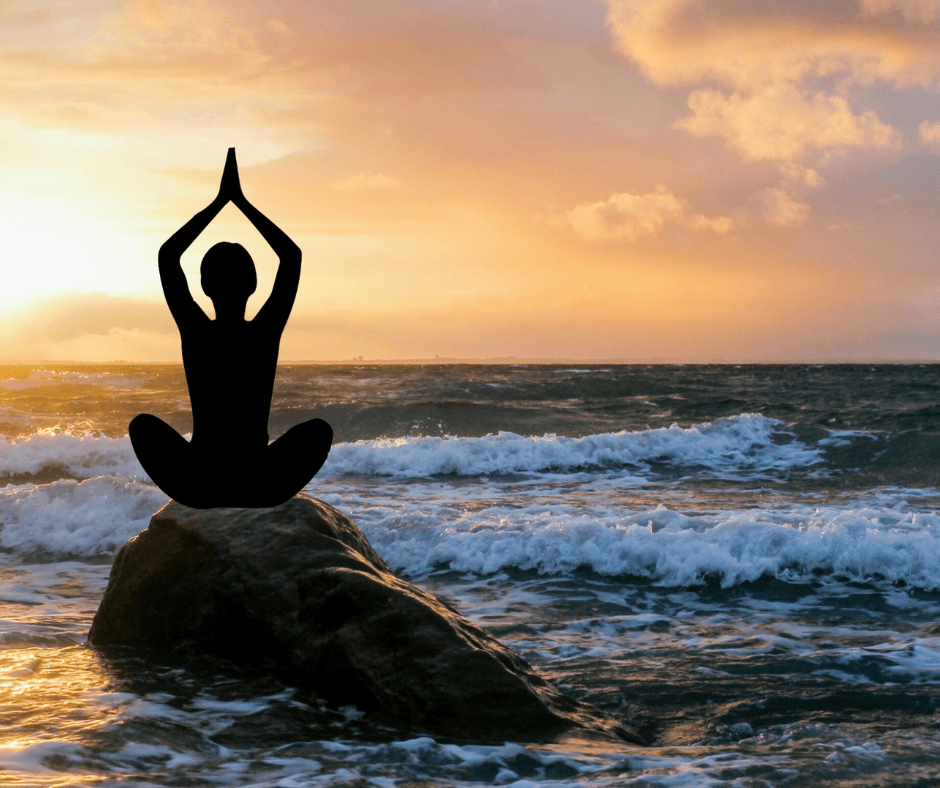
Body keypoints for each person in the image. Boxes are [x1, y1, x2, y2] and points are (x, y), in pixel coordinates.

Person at [130, 148, 333, 508]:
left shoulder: (195, 329)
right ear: (253, 286)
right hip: (258, 482)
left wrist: (218, 203)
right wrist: (241, 203)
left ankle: (211, 492)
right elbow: (291, 256)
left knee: (142, 426)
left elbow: (167, 256)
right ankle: (250, 492)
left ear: (205, 287)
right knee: (319, 431)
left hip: (200, 483)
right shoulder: (265, 330)